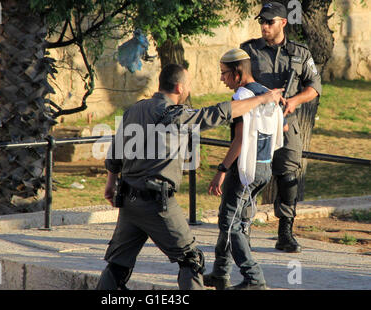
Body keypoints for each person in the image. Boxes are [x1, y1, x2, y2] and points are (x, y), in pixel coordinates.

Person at [96, 63, 285, 290]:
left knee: (118, 263)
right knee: (191, 260)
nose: (188, 91)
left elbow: (115, 152)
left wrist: (110, 183)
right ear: (178, 87)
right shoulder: (174, 115)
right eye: (188, 86)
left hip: (128, 202)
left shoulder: (134, 110)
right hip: (157, 203)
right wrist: (263, 99)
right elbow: (219, 113)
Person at [240, 2, 322, 253]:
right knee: (250, 176)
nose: (264, 26)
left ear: (283, 22)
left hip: (288, 126)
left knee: (288, 178)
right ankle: (243, 230)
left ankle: (285, 232)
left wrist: (294, 101)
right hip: (257, 124)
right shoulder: (248, 50)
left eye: (269, 22)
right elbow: (239, 79)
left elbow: (315, 86)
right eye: (261, 22)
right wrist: (264, 94)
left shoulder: (300, 53)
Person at [203, 49, 284, 290]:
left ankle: (254, 278)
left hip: (244, 169)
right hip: (264, 168)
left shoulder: (242, 97)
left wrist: (222, 169)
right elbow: (284, 129)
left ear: (237, 73)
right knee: (233, 220)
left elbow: (239, 140)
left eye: (224, 73)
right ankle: (220, 273)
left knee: (230, 224)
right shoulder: (266, 93)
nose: (221, 79)